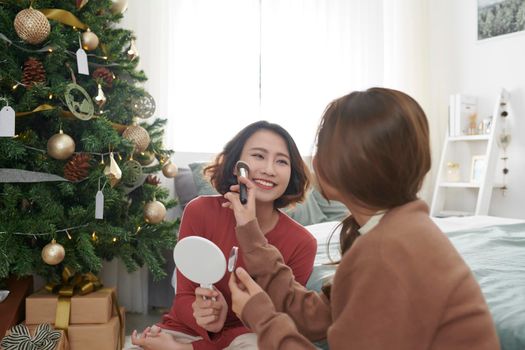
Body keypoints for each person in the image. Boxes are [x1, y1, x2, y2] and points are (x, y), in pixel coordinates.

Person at [224, 88, 501, 349]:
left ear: (332, 166)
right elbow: (317, 316)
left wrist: (262, 318)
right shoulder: (396, 232)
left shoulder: (386, 252)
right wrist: (250, 230)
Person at [131, 121, 317, 350]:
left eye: (281, 161)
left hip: (250, 337)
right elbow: (184, 297)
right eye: (259, 156)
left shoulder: (302, 243)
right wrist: (206, 316)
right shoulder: (200, 211)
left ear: (292, 173)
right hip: (187, 331)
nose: (269, 169)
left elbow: (281, 321)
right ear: (235, 166)